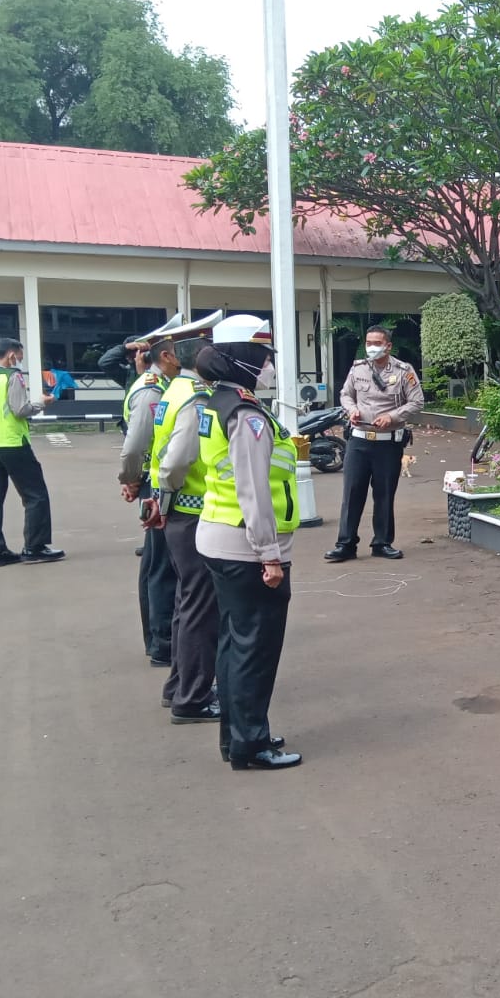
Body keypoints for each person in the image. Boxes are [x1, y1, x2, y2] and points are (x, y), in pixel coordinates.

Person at [195, 315, 301, 770]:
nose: (269, 366)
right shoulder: (246, 414)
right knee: (255, 650)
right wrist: (269, 555)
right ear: (243, 359)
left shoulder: (215, 402)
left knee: (233, 644)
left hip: (219, 537)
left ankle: (237, 735)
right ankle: (251, 745)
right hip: (247, 546)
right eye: (263, 357)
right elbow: (254, 489)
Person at [143, 314, 224, 724]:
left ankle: (179, 685)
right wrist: (168, 494)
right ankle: (192, 697)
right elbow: (177, 460)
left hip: (177, 512)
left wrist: (161, 498)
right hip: (192, 512)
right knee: (200, 608)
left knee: (186, 603)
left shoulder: (174, 389)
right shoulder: (196, 397)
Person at [325, 324, 425, 562]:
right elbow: (345, 394)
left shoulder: (404, 371)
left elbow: (417, 402)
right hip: (358, 441)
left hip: (387, 443)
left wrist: (392, 416)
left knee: (384, 495)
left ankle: (382, 543)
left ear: (388, 346)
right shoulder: (358, 368)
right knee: (352, 493)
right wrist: (352, 410)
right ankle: (345, 544)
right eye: (368, 343)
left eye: (377, 343)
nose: (371, 347)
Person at [0, 337, 64, 567]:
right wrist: (42, 403)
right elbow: (20, 409)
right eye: (19, 357)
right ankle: (34, 547)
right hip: (12, 442)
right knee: (35, 494)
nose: (19, 361)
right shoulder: (12, 376)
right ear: (11, 355)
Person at [119, 324, 178, 670]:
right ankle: (162, 643)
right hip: (155, 487)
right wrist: (130, 479)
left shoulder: (164, 385)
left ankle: (157, 639)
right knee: (162, 568)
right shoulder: (152, 390)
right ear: (166, 356)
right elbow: (136, 444)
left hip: (153, 483)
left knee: (155, 565)